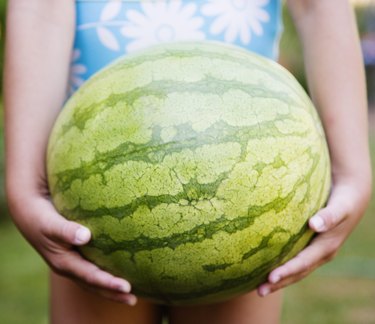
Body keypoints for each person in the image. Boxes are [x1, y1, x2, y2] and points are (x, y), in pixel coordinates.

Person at [4, 0, 372, 323]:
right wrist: (26, 187)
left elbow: (319, 5)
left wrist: (353, 170)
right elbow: (41, 6)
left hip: (246, 170)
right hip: (90, 165)